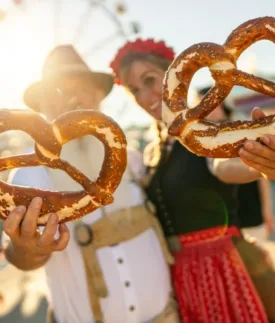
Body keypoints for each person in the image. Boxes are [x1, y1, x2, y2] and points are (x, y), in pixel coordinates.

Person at [2, 45, 180, 323]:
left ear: (99, 97)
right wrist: (26, 249)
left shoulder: (132, 161)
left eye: (80, 87)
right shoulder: (30, 176)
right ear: (42, 109)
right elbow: (23, 257)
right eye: (56, 90)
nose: (70, 97)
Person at [110, 38, 275, 322]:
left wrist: (261, 164)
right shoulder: (152, 152)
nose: (145, 95)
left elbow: (224, 165)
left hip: (223, 267)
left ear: (175, 75)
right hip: (179, 276)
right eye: (134, 90)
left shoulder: (205, 131)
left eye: (150, 80)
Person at [197, 86, 274, 242]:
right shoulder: (203, 139)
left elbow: (261, 179)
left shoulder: (240, 128)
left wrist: (267, 211)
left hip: (251, 210)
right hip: (228, 219)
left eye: (209, 104)